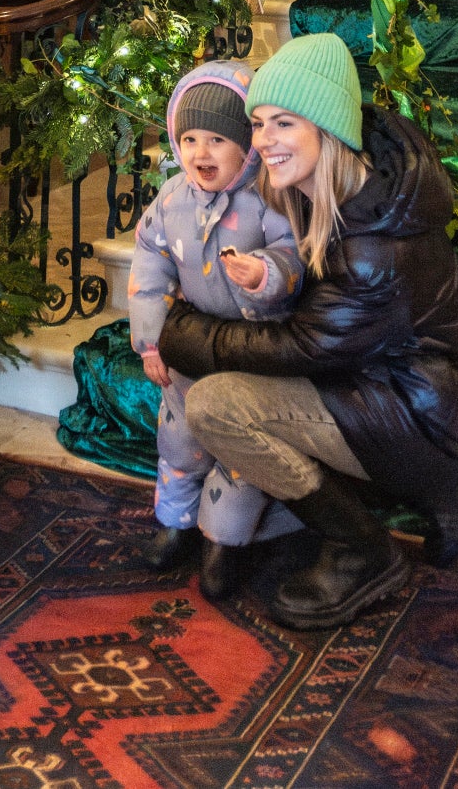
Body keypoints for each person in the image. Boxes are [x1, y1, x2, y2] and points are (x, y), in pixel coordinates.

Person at [156, 32, 458, 631]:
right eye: (258, 123)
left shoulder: (372, 248)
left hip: (415, 410)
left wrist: (180, 332)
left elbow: (301, 346)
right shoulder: (348, 185)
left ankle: (362, 549)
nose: (262, 142)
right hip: (408, 391)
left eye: (283, 123)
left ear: (328, 128)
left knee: (215, 406)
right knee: (235, 376)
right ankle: (426, 488)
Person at [124, 62, 303, 597]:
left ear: (247, 144)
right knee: (178, 442)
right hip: (188, 354)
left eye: (218, 140)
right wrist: (151, 341)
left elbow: (296, 256)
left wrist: (265, 272)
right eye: (190, 138)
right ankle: (176, 525)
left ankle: (224, 541)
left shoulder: (269, 197)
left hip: (254, 354)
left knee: (239, 454)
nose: (202, 153)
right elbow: (149, 269)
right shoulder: (173, 199)